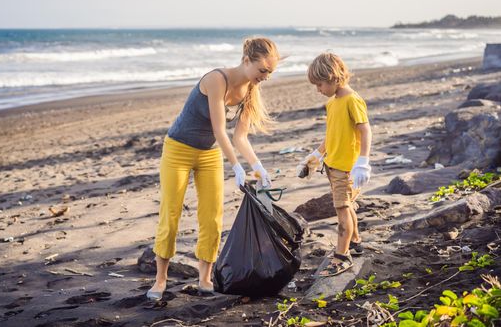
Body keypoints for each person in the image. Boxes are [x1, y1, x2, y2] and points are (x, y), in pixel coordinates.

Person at [147, 38, 280, 300]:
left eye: (270, 73)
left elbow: (240, 137)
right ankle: (160, 279)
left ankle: (205, 278)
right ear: (246, 61)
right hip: (178, 150)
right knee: (171, 213)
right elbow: (220, 129)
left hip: (208, 154)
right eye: (262, 70)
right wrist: (236, 167)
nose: (265, 77)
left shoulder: (250, 90)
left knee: (212, 215)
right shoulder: (216, 79)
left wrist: (257, 166)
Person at [296, 52, 372, 277]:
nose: (318, 89)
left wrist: (363, 161)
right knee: (347, 206)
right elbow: (331, 135)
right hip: (333, 165)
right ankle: (355, 241)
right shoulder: (333, 103)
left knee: (342, 210)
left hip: (347, 169)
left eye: (319, 84)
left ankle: (341, 256)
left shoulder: (352, 99)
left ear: (333, 77)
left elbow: (365, 130)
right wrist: (316, 156)